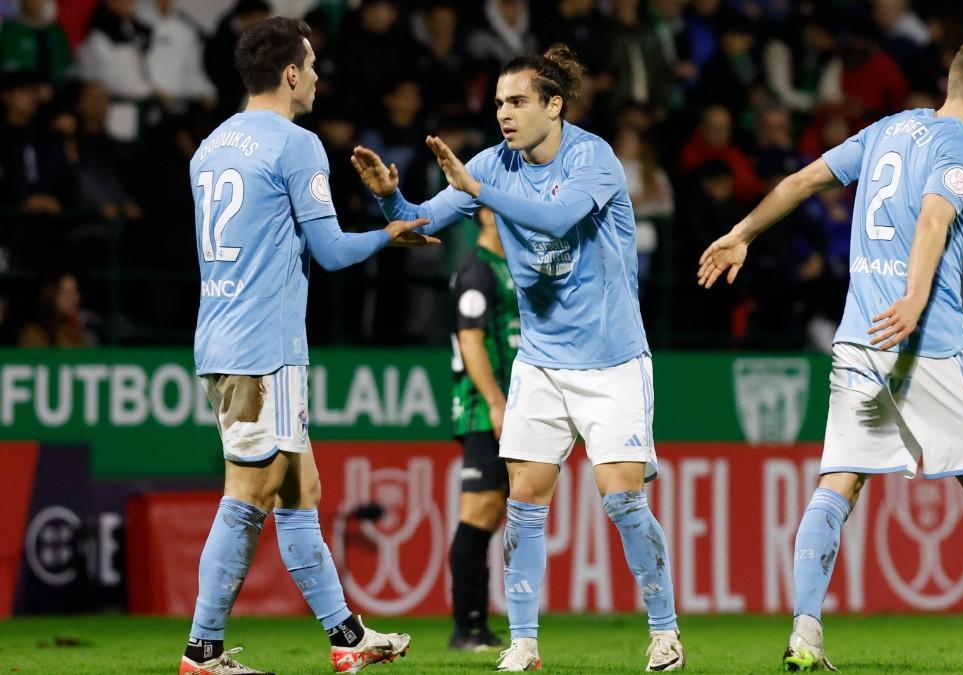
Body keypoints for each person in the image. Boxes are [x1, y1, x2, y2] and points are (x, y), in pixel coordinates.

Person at [698, 42, 963, 671]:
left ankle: (805, 632)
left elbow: (805, 179)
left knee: (839, 481)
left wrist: (741, 233)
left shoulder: (888, 130)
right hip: (926, 346)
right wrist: (916, 298)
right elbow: (933, 220)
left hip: (860, 340)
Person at [352, 43, 685, 673]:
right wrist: (390, 202)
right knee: (524, 500)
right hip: (539, 360)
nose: (504, 113)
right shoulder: (492, 164)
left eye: (518, 101)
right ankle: (524, 644)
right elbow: (423, 224)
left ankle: (664, 634)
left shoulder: (594, 158)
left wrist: (477, 189)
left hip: (611, 362)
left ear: (554, 105)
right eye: (499, 101)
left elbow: (559, 220)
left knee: (621, 500)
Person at [181, 16, 435, 675]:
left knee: (301, 488)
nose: (319, 76)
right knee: (248, 492)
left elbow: (266, 243)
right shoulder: (294, 144)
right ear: (290, 73)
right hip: (263, 349)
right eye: (313, 65)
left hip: (224, 337)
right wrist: (391, 233)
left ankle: (347, 634)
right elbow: (328, 250)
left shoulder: (209, 148)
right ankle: (202, 649)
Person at [446, 207, 519, 653]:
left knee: (492, 514)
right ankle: (466, 628)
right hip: (482, 408)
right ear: (488, 215)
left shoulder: (504, 267)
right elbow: (471, 339)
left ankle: (479, 625)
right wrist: (495, 402)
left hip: (508, 405)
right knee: (477, 514)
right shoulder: (476, 272)